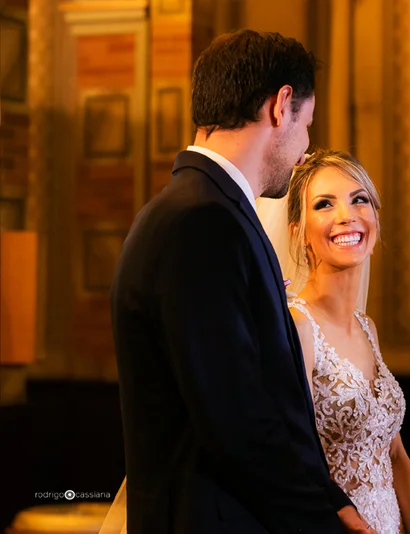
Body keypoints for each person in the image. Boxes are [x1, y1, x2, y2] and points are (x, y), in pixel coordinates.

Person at [107, 30, 375, 534]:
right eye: (307, 125)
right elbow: (234, 414)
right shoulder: (202, 222)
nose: (305, 149)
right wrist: (321, 521)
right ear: (281, 106)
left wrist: (330, 497)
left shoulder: (201, 210)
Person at [257, 149, 410, 534]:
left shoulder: (367, 327)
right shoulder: (297, 327)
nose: (346, 215)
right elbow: (287, 458)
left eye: (359, 199)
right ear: (297, 231)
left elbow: (396, 454)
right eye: (324, 204)